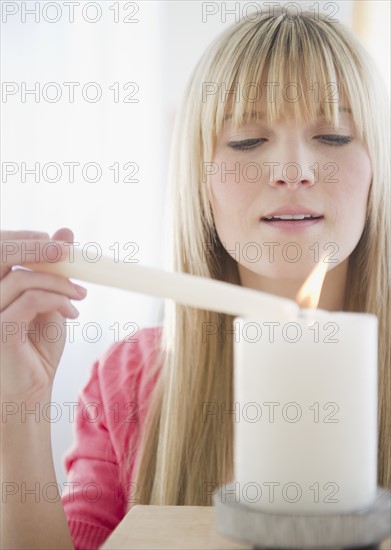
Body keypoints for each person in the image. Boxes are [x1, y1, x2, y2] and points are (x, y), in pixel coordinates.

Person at [1, 6, 390, 549]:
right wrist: (18, 408)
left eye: (333, 135)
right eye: (247, 142)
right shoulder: (130, 383)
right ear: (200, 182)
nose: (293, 170)